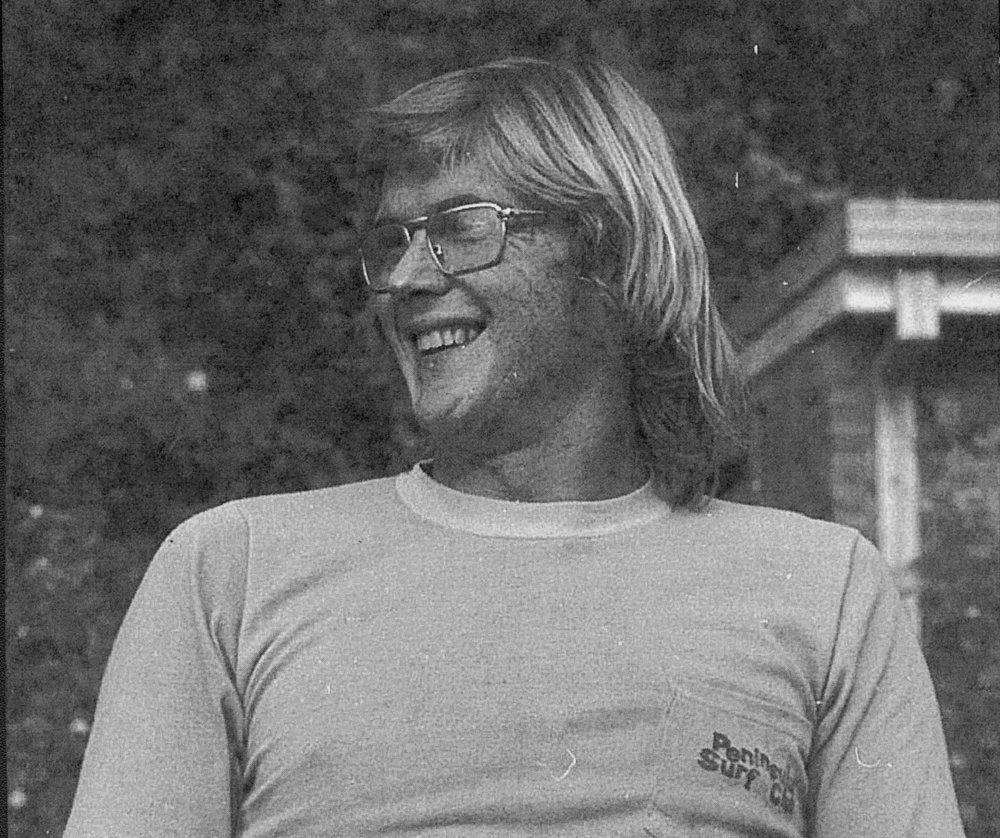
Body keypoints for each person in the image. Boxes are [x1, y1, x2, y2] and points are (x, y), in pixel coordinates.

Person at [65, 57, 964, 837]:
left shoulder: (824, 589)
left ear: (607, 249)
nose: (410, 281)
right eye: (394, 242)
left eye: (461, 228)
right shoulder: (230, 571)